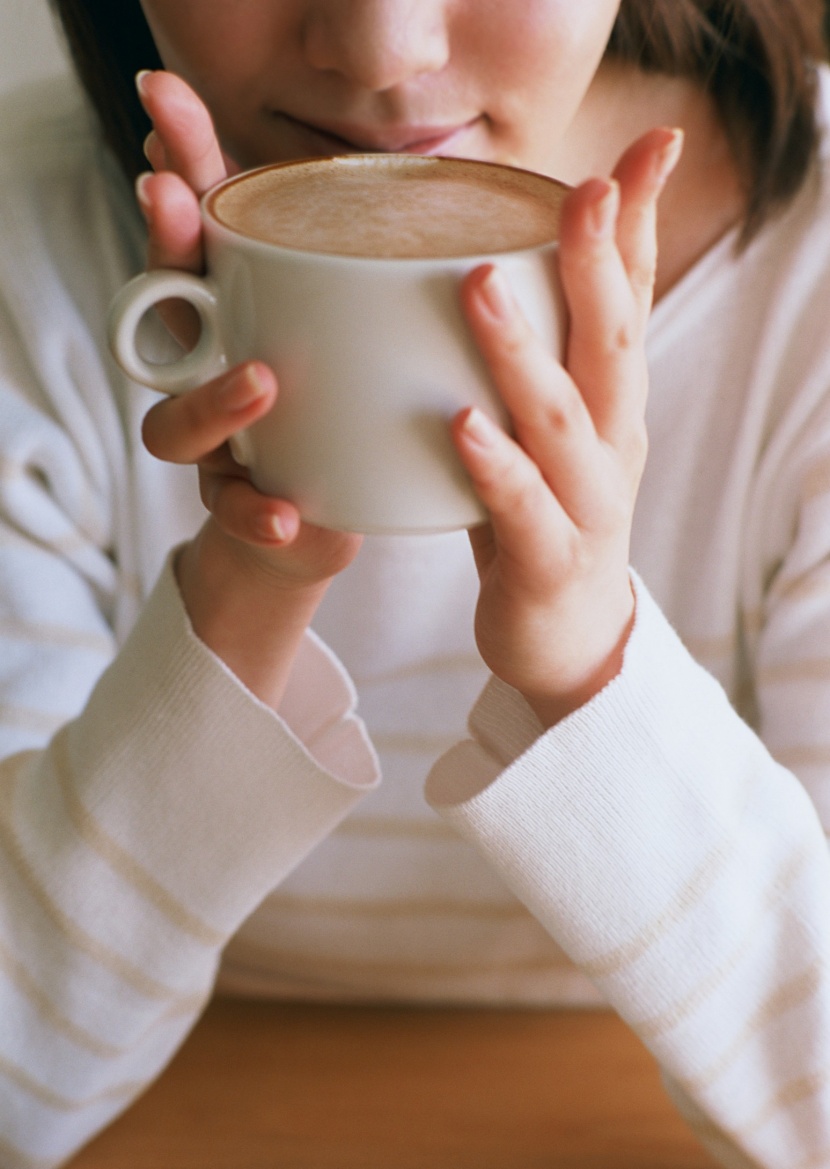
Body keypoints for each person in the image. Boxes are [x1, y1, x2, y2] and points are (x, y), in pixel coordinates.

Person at [0, 0, 828, 1164]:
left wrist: (589, 663)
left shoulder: (806, 289)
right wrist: (242, 595)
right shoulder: (21, 262)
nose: (384, 53)